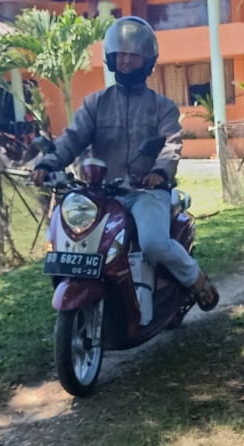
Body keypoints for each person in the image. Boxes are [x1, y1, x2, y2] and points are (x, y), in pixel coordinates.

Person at [32, 16, 219, 310]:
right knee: (75, 242)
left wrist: (159, 172)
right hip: (100, 193)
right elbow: (73, 137)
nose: (126, 61)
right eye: (121, 54)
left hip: (145, 192)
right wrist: (49, 163)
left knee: (154, 243)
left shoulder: (162, 107)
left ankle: (197, 280)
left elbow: (171, 145)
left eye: (134, 55)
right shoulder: (96, 103)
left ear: (147, 60)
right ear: (111, 57)